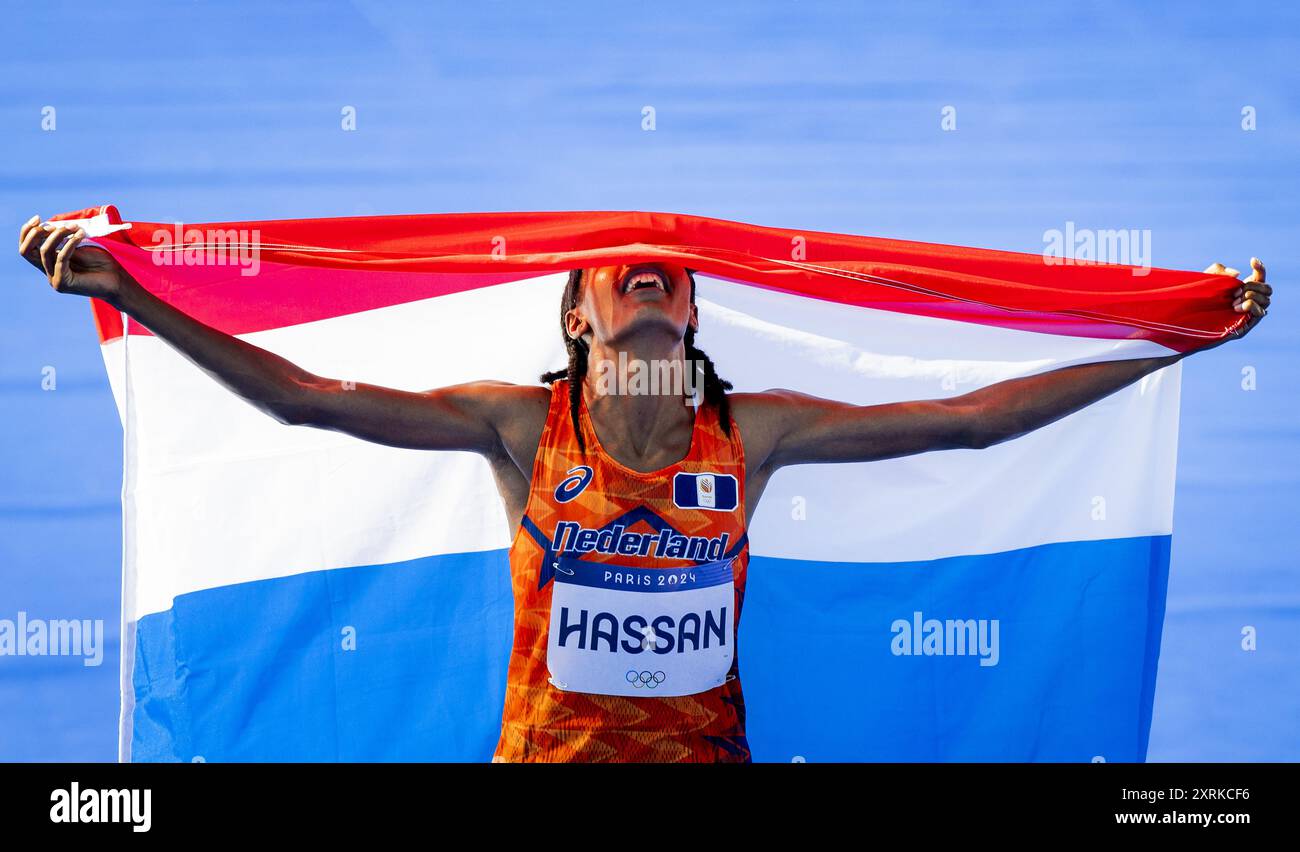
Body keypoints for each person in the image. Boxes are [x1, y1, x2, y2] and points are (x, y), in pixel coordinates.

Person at [17, 217, 1272, 763]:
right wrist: (137, 296)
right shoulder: (520, 427)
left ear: (691, 308)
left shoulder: (751, 434)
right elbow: (304, 398)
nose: (654, 275)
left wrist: (1173, 343)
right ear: (578, 311)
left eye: (672, 270)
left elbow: (975, 422)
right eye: (625, 269)